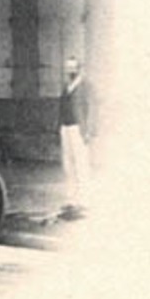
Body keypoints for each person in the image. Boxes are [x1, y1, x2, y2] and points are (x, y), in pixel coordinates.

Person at [58, 56, 93, 219]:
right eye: (67, 67)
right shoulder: (66, 86)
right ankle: (71, 200)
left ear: (79, 68)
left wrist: (88, 130)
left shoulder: (85, 85)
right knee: (68, 166)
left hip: (78, 128)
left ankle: (85, 201)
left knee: (81, 165)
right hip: (65, 127)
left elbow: (91, 109)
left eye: (72, 67)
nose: (70, 70)